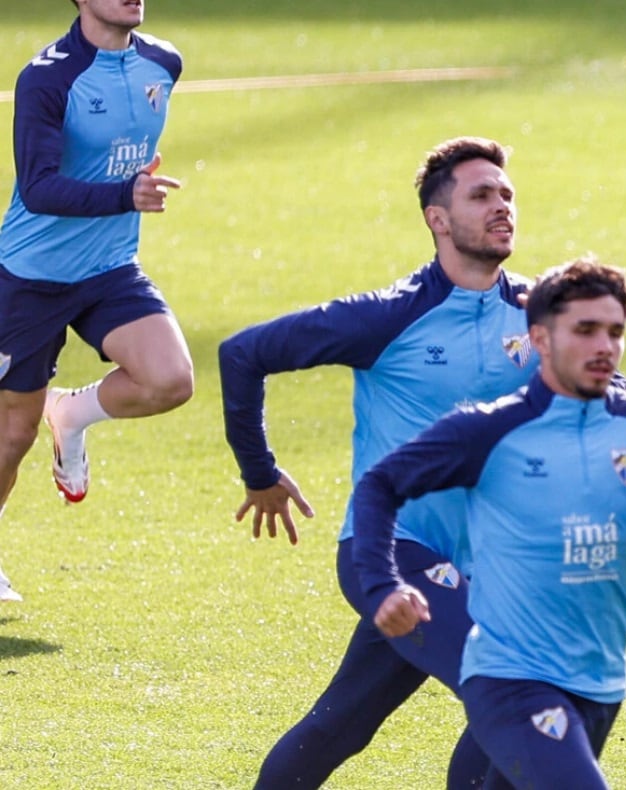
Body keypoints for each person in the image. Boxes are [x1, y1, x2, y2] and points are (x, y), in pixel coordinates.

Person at [219, 137, 538, 788]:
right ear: (438, 219)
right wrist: (260, 472)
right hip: (393, 553)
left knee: (338, 727)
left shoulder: (542, 315)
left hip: (487, 568)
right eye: (481, 195)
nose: (501, 205)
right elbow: (242, 353)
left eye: (506, 193)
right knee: (511, 689)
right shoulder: (388, 317)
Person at [357, 258, 626, 789]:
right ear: (540, 337)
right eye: (585, 330)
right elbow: (379, 486)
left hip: (598, 681)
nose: (604, 347)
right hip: (510, 676)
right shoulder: (489, 429)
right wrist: (382, 583)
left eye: (615, 331)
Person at [0, 0, 192, 601]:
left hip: (109, 267)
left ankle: (73, 413)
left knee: (170, 380)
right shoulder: (48, 77)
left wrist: (126, 190)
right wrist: (124, 195)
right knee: (12, 434)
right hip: (31, 276)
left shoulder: (164, 62)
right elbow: (37, 187)